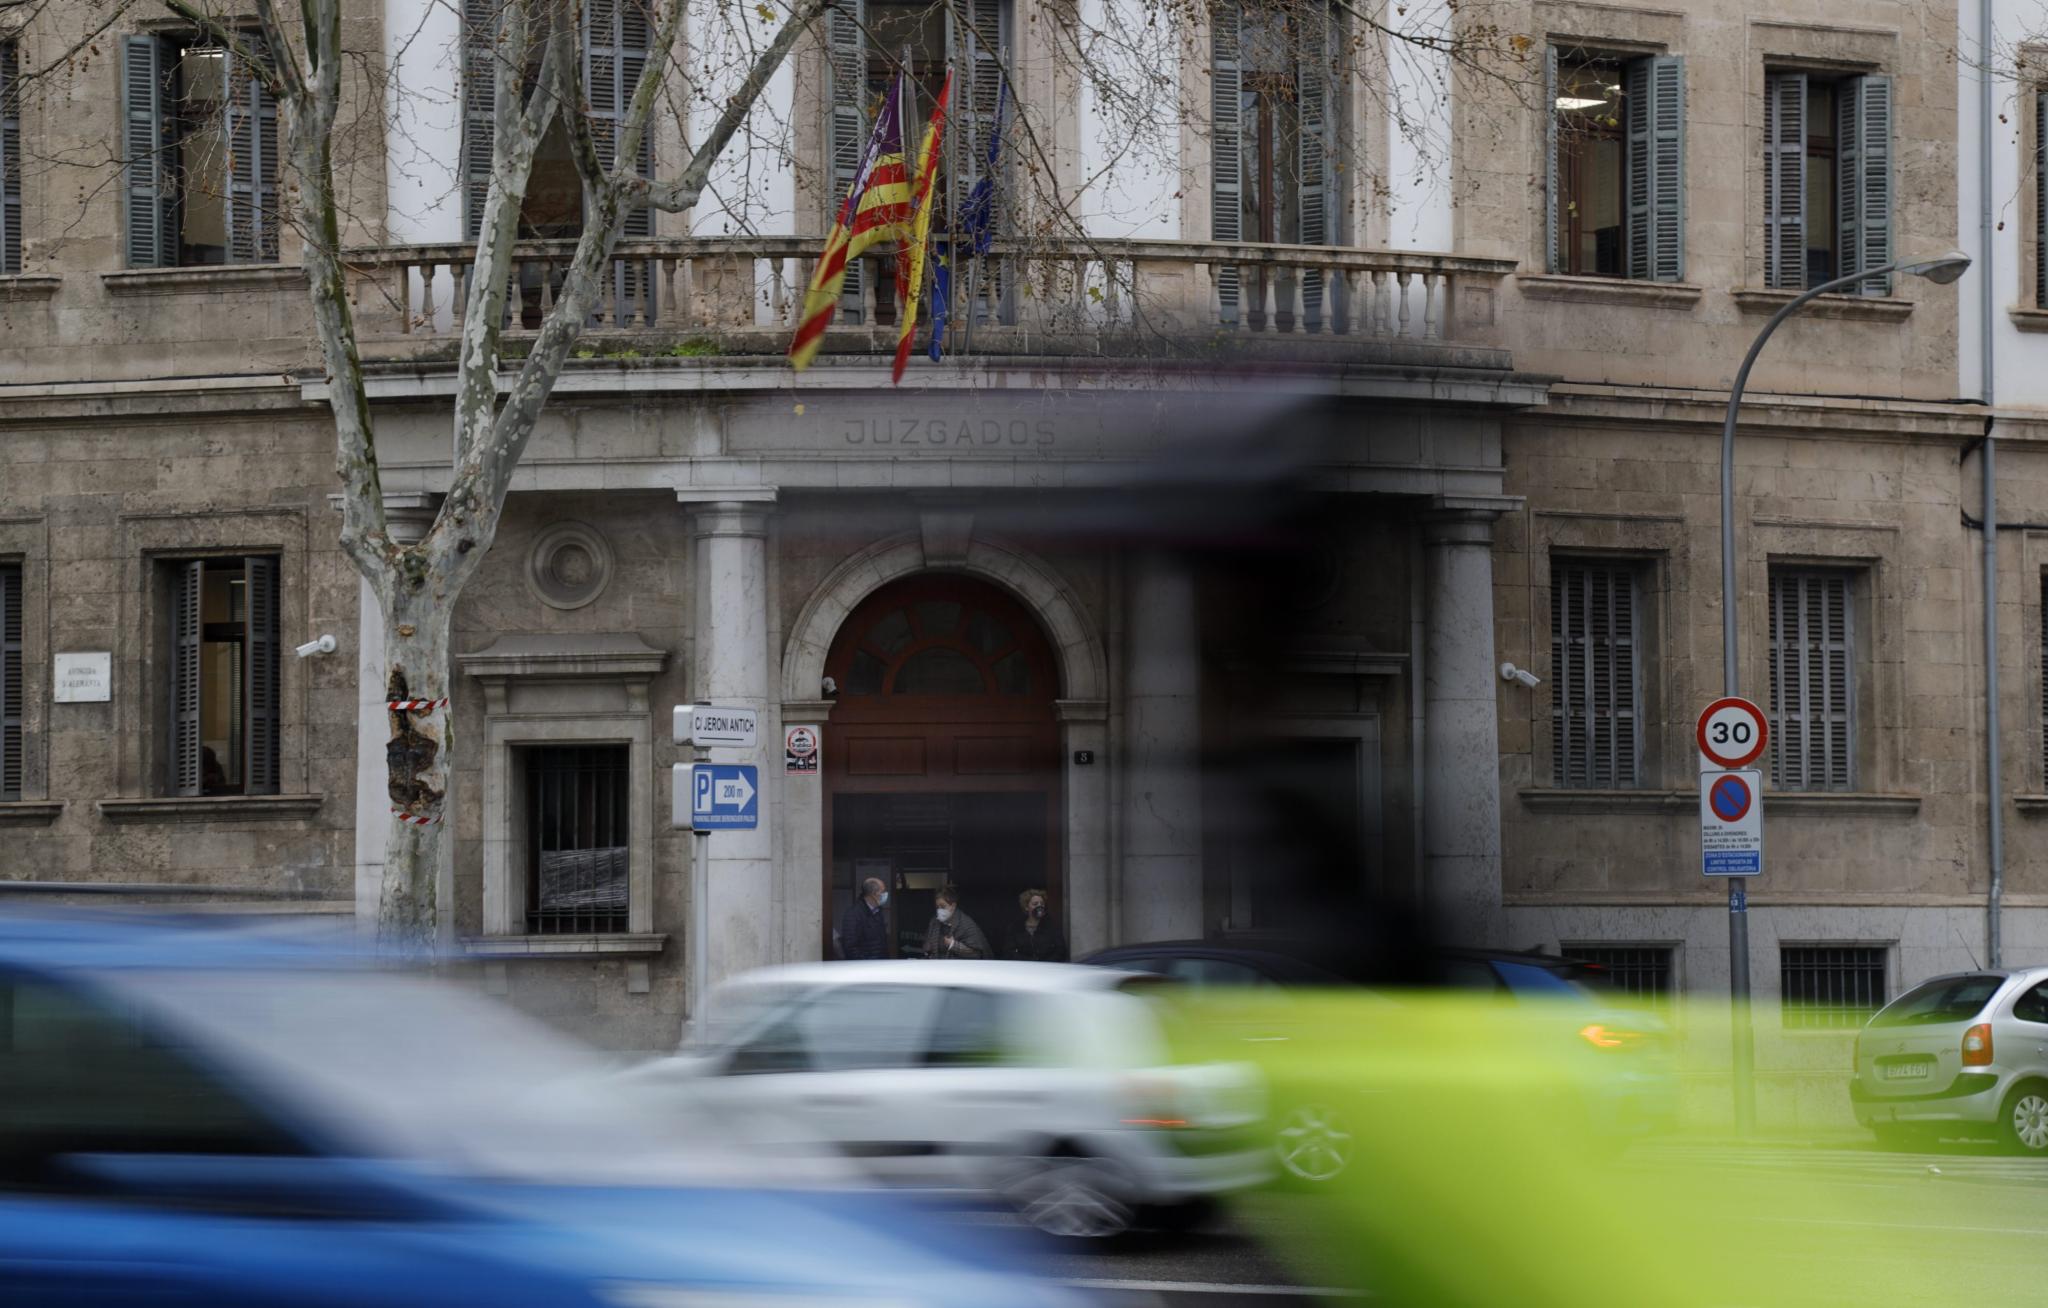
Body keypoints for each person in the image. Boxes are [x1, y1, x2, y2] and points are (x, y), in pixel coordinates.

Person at [919, 886, 989, 960]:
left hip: (961, 968)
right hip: (938, 966)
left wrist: (953, 945)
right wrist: (927, 946)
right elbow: (928, 941)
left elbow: (976, 954)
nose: (939, 910)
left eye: (943, 907)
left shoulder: (965, 924)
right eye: (937, 907)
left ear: (953, 906)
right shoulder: (934, 922)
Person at [834, 877, 894, 960]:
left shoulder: (878, 911)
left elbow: (881, 943)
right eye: (883, 891)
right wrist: (865, 966)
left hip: (880, 964)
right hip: (864, 968)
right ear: (874, 893)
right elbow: (850, 947)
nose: (885, 894)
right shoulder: (853, 914)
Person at [1002, 887, 1067, 962]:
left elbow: (1061, 951)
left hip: (1047, 969)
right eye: (1035, 904)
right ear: (1026, 907)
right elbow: (1008, 952)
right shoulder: (1015, 928)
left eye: (1042, 904)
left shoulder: (1052, 927)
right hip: (1022, 969)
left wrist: (1045, 964)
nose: (1039, 906)